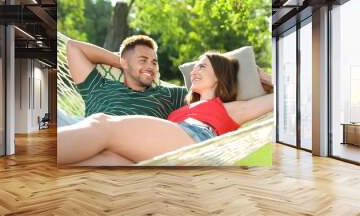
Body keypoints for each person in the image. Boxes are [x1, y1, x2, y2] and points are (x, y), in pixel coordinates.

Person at [58, 52, 273, 166]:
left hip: (196, 144)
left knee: (101, 123)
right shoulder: (183, 104)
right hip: (169, 146)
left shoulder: (229, 109)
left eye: (203, 65)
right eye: (195, 65)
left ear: (220, 75)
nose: (194, 70)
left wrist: (264, 78)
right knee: (102, 159)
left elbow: (282, 97)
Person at [66, 35, 187, 120]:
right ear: (124, 62)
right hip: (89, 143)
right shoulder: (99, 86)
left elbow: (203, 90)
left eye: (154, 63)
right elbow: (73, 47)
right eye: (143, 60)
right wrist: (123, 64)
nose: (150, 67)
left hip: (138, 152)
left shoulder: (167, 95)